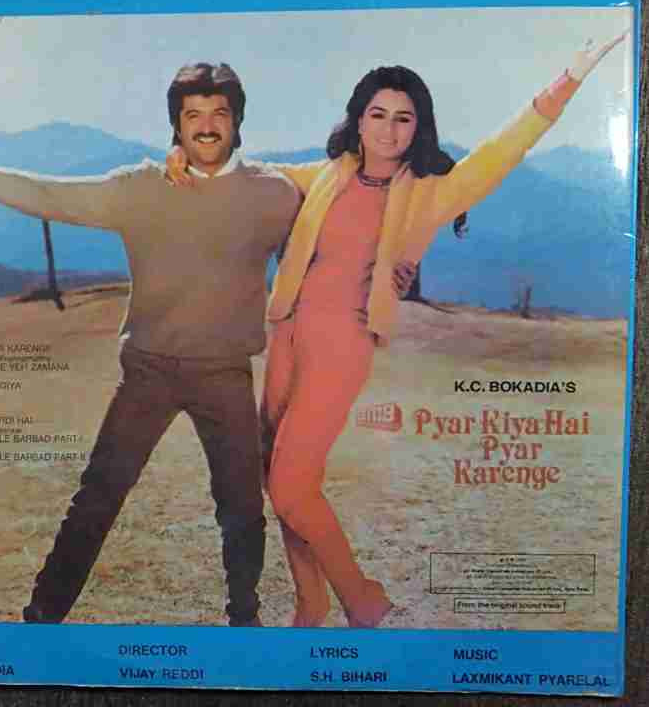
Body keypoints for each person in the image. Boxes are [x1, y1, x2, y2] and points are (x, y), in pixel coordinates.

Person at [168, 34, 626, 628]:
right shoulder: (326, 176)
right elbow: (246, 178)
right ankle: (311, 603)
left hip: (344, 345)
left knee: (291, 486)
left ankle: (361, 598)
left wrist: (574, 74)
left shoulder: (431, 194)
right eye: (377, 114)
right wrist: (182, 158)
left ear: (418, 129)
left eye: (403, 119)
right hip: (287, 336)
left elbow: (505, 149)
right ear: (358, 120)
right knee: (275, 475)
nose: (388, 130)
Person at [0, 63, 302, 627]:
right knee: (98, 497)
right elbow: (48, 195)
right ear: (176, 126)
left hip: (226, 373)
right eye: (193, 115)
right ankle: (41, 619)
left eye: (219, 114)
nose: (207, 126)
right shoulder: (137, 188)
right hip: (149, 372)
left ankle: (245, 623)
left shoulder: (273, 194)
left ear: (237, 122)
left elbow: (332, 198)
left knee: (244, 508)